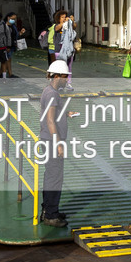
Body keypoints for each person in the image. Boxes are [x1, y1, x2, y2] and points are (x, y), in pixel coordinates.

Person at [38, 62, 75, 228]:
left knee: (50, 176)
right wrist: (59, 144)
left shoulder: (48, 91)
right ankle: (51, 216)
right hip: (52, 142)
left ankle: (48, 209)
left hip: (47, 140)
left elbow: (52, 113)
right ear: (57, 76)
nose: (67, 79)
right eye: (65, 76)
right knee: (55, 178)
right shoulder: (53, 95)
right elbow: (50, 120)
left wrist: (66, 113)